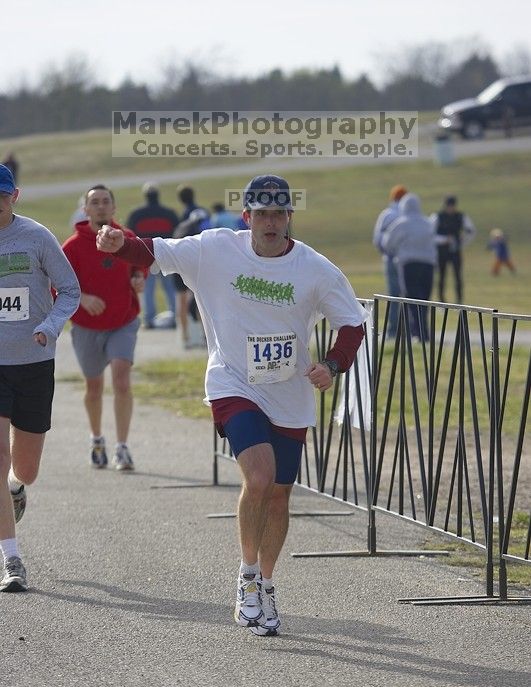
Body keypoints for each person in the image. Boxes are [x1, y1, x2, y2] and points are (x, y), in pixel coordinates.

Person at [96, 174, 368, 637]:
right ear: (247, 217)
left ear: (289, 219)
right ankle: (245, 578)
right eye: (260, 214)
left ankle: (266, 582)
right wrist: (120, 243)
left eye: (278, 214)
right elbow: (156, 252)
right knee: (258, 476)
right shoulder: (215, 249)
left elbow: (352, 324)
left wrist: (333, 365)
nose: (269, 222)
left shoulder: (315, 268)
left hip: (289, 392)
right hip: (233, 383)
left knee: (280, 493)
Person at [0, 164, 80, 592]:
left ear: (16, 196)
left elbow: (70, 289)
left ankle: (16, 489)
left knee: (24, 469)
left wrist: (49, 327)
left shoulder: (36, 236)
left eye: (2, 196)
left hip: (33, 362)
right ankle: (12, 560)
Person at [62, 184, 146, 472]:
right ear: (85, 210)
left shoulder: (126, 238)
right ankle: (97, 439)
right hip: (87, 326)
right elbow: (57, 285)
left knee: (121, 380)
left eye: (105, 201)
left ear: (113, 208)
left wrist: (139, 278)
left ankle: (122, 447)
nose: (100, 206)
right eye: (94, 202)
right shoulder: (72, 246)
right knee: (94, 387)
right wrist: (82, 298)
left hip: (123, 321)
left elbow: (141, 263)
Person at [382, 193, 437, 342]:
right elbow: (434, 242)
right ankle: (424, 333)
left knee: (412, 299)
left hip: (409, 264)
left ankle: (417, 333)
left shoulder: (401, 223)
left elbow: (388, 243)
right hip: (428, 265)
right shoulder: (427, 223)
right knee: (425, 300)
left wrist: (397, 252)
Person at [126, 183, 179, 329]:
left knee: (148, 289)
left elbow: (130, 235)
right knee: (170, 288)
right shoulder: (169, 213)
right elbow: (178, 233)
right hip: (166, 254)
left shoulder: (136, 214)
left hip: (146, 257)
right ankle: (176, 317)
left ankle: (149, 320)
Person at [173, 186, 211, 348]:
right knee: (200, 298)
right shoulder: (204, 213)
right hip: (199, 261)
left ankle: (185, 337)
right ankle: (204, 336)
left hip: (179, 259)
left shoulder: (183, 218)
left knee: (181, 299)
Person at [372, 184, 408, 338]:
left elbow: (377, 239)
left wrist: (386, 252)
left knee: (393, 295)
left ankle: (393, 331)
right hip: (407, 260)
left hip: (391, 258)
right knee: (408, 295)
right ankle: (408, 330)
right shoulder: (408, 214)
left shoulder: (387, 214)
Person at [431, 196, 475, 304]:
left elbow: (471, 231)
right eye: (449, 206)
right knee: (441, 276)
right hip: (442, 251)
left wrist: (462, 242)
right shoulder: (437, 217)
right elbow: (429, 234)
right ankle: (441, 300)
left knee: (458, 276)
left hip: (455, 250)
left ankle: (459, 301)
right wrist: (443, 240)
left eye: (452, 206)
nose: (451, 208)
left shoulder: (461, 216)